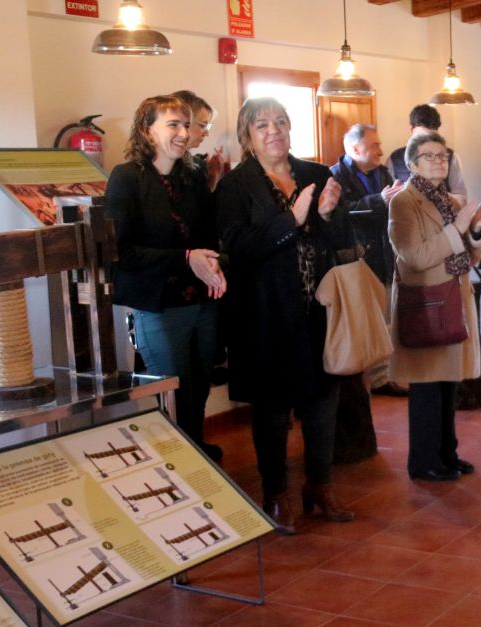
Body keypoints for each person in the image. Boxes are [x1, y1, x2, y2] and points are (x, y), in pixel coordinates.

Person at [216, 96, 354, 531]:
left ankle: (321, 485)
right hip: (266, 315)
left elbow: (341, 238)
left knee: (322, 403)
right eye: (262, 125)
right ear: (248, 136)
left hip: (319, 307)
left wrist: (328, 215)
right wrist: (288, 221)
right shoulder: (234, 187)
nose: (273, 130)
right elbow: (235, 246)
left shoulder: (316, 174)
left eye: (280, 122)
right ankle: (275, 494)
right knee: (273, 411)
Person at [105, 95, 227, 463]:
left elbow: (207, 236)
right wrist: (187, 259)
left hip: (201, 301)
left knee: (199, 386)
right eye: (173, 124)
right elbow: (121, 253)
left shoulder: (191, 176)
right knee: (170, 389)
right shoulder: (126, 178)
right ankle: (174, 464)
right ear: (147, 130)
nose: (183, 132)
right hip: (159, 303)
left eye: (187, 125)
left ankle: (195, 454)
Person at [388, 131, 481, 482]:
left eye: (443, 155)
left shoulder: (451, 200)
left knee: (448, 383)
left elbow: (469, 253)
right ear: (412, 164)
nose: (438, 161)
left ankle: (447, 454)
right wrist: (459, 229)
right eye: (429, 155)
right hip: (424, 301)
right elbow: (415, 256)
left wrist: (477, 230)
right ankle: (423, 462)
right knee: (426, 387)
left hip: (452, 296)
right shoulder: (404, 202)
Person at [329, 124, 405, 397]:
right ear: (354, 148)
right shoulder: (335, 177)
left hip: (384, 256)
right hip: (355, 260)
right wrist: (379, 200)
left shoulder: (383, 173)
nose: (381, 151)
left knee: (384, 321)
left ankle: (381, 379)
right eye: (374, 146)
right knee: (358, 325)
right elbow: (341, 215)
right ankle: (356, 382)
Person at [387, 104, 467, 199]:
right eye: (421, 137)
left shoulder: (450, 157)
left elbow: (461, 196)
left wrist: (437, 196)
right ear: (411, 131)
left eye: (431, 137)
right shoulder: (394, 159)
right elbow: (388, 200)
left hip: (443, 212)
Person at [170, 90, 227, 191]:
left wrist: (212, 177)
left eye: (208, 127)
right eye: (202, 126)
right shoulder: (154, 168)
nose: (207, 133)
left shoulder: (194, 165)